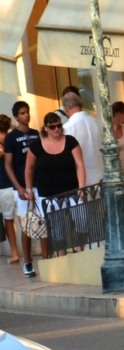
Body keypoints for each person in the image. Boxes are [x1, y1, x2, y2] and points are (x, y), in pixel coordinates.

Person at [23, 112, 86, 268]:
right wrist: (28, 189)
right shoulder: (37, 146)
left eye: (59, 126)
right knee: (58, 231)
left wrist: (81, 187)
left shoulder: (70, 141)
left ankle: (81, 256)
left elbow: (79, 164)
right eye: (52, 127)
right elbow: (29, 168)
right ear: (46, 128)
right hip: (49, 194)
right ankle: (62, 263)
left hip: (71, 190)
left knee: (80, 224)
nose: (57, 129)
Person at [5, 100, 40, 275]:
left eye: (27, 112)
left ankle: (48, 257)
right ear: (16, 116)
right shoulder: (11, 138)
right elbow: (8, 165)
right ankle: (28, 262)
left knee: (44, 222)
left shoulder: (36, 134)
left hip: (38, 184)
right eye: (22, 113)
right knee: (26, 225)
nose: (26, 115)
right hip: (21, 186)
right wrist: (18, 187)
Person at [61, 90, 104, 186]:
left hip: (82, 180)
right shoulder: (98, 123)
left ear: (66, 108)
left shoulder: (67, 128)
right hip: (101, 174)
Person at [0, 114, 17, 264]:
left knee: (9, 220)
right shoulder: (12, 139)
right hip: (17, 184)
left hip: (4, 186)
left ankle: (15, 253)